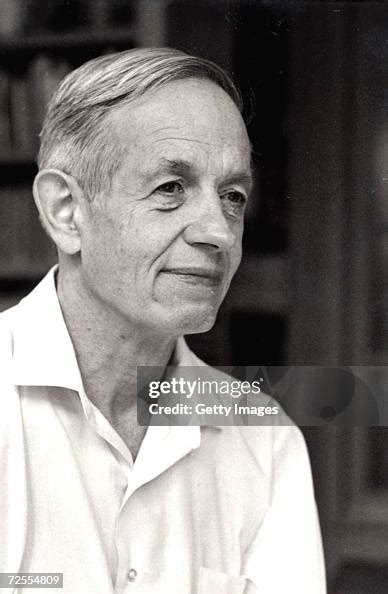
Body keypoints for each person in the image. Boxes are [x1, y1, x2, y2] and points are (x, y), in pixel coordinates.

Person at [0, 48, 326, 593]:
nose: (219, 232)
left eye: (232, 196)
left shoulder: (263, 438)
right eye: (170, 188)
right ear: (65, 211)